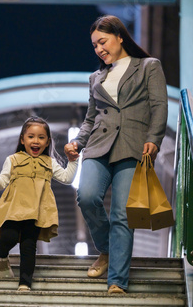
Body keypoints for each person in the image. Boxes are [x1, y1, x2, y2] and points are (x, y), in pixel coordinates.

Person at [64, 15, 168, 294]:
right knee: (86, 196)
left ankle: (117, 281)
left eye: (103, 41)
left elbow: (159, 106)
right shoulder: (96, 77)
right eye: (95, 45)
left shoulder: (148, 66)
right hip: (98, 144)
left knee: (122, 213)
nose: (98, 48)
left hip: (132, 145)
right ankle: (108, 249)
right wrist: (78, 143)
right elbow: (90, 118)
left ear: (120, 37)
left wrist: (154, 139)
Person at [0, 116, 78, 292]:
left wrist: (73, 161)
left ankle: (25, 283)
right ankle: (0, 256)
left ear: (48, 141)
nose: (36, 141)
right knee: (10, 237)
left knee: (29, 247)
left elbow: (67, 178)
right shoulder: (12, 160)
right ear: (22, 139)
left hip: (36, 211)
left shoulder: (49, 162)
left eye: (41, 137)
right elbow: (1, 183)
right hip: (14, 209)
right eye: (31, 136)